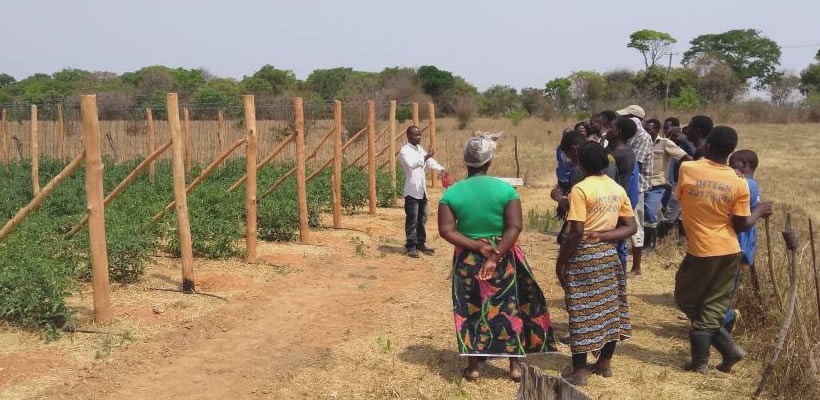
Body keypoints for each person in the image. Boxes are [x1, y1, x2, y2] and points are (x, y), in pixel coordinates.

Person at [439, 135, 557, 382]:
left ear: (465, 161)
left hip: (468, 258)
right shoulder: (505, 190)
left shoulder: (451, 194)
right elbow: (515, 226)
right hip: (503, 255)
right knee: (509, 306)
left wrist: (477, 247)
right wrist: (496, 254)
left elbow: (447, 230)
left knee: (469, 308)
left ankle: (473, 368)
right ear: (489, 161)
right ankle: (514, 367)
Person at [675, 126, 773, 374]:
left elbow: (682, 198)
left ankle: (704, 361)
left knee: (687, 299)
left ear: (708, 147)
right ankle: (725, 352)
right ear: (730, 151)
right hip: (729, 249)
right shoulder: (739, 183)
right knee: (713, 304)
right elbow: (741, 224)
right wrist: (759, 211)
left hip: (701, 249)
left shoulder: (688, 169)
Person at [556, 142, 637, 385]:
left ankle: (579, 371)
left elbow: (576, 232)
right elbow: (631, 226)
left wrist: (561, 261)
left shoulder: (580, 190)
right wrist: (604, 236)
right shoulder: (616, 188)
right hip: (608, 256)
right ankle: (604, 364)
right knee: (609, 308)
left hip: (583, 256)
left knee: (580, 310)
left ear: (580, 162)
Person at [723, 150, 762, 333]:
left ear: (744, 165)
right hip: (739, 244)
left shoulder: (745, 185)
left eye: (733, 164)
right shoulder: (749, 184)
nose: (730, 168)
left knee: (724, 291)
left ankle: (725, 320)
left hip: (737, 245)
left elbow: (739, 220)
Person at [399, 125, 447, 258]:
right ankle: (411, 246)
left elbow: (430, 161)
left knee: (422, 218)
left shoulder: (419, 149)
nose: (419, 137)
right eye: (416, 135)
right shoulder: (404, 151)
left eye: (420, 134)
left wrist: (441, 169)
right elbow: (411, 164)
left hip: (422, 190)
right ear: (409, 136)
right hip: (412, 191)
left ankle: (421, 243)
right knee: (412, 219)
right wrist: (426, 157)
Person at [644, 119, 691, 250]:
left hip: (656, 185)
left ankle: (649, 244)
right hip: (641, 184)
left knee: (650, 213)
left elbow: (685, 157)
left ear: (657, 130)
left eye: (649, 129)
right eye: (645, 129)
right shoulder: (641, 142)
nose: (647, 132)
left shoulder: (665, 143)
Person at [617, 105, 652, 277]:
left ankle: (636, 267)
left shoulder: (643, 137)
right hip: (625, 185)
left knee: (635, 225)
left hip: (635, 187)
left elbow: (633, 163)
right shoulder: (631, 137)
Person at [608, 117, 639, 268]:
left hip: (615, 203)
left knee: (615, 245)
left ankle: (617, 278)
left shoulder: (617, 155)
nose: (608, 129)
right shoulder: (626, 152)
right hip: (620, 202)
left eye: (612, 127)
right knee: (619, 245)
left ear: (618, 131)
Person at [659, 127, 696, 241]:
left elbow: (693, 157)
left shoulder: (690, 145)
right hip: (677, 182)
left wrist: (684, 140)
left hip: (683, 182)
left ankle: (660, 235)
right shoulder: (679, 146)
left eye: (671, 137)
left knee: (672, 210)